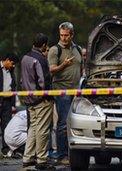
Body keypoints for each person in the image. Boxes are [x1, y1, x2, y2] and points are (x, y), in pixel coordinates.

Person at [48, 22, 82, 164]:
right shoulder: (55, 50)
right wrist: (64, 65)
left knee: (75, 122)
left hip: (76, 91)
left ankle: (73, 153)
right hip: (62, 91)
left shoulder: (78, 49)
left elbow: (81, 67)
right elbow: (52, 69)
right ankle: (62, 155)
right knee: (63, 123)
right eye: (61, 35)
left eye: (66, 35)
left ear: (72, 34)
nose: (64, 38)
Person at [21, 33, 55, 170]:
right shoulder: (40, 59)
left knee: (33, 128)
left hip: (29, 99)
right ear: (44, 45)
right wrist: (48, 96)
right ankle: (41, 160)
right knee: (42, 130)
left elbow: (22, 80)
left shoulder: (25, 57)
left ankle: (27, 158)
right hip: (42, 99)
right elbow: (44, 81)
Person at [0, 53, 17, 157]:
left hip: (7, 102)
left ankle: (5, 149)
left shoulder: (11, 71)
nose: (13, 65)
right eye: (12, 63)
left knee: (6, 127)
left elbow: (13, 87)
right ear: (6, 60)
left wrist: (13, 104)